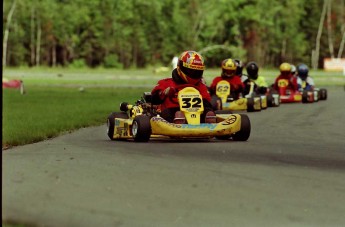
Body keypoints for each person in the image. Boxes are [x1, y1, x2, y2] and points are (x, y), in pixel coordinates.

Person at [151, 50, 216, 124]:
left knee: (207, 108)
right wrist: (164, 93)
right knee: (167, 112)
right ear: (180, 68)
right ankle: (179, 120)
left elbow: (207, 102)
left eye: (197, 72)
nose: (194, 74)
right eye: (191, 71)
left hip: (197, 114)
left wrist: (206, 107)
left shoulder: (200, 86)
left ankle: (210, 119)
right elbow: (153, 99)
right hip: (173, 114)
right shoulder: (166, 83)